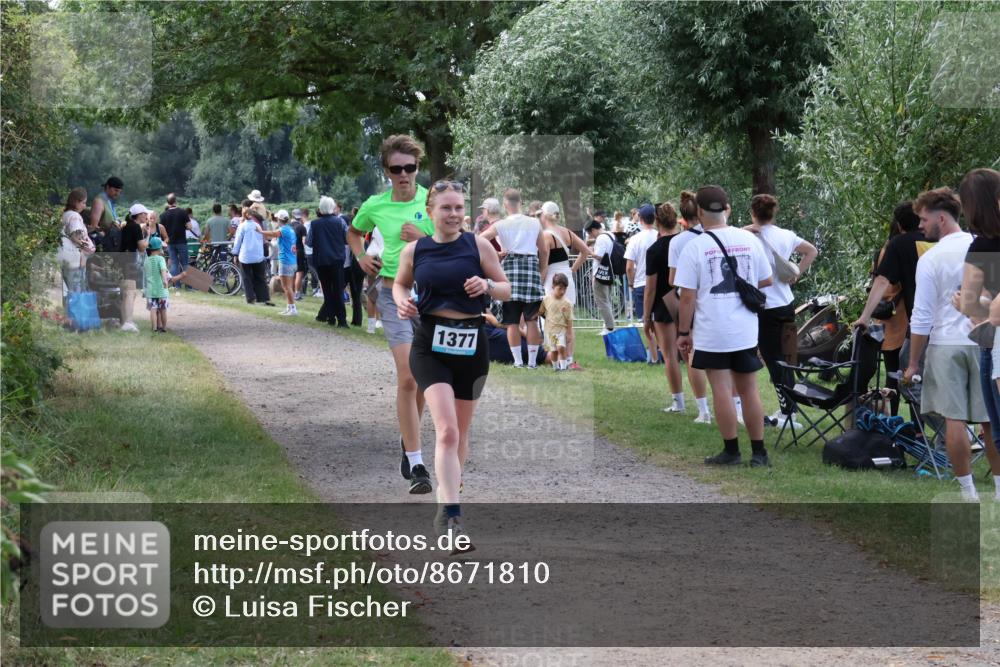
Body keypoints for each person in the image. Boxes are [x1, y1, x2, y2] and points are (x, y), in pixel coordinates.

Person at [393, 180, 511, 547]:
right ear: (431, 212)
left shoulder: (477, 245)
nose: (454, 214)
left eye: (459, 207)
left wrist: (487, 287)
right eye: (446, 208)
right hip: (430, 345)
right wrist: (401, 301)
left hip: (472, 345)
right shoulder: (415, 250)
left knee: (460, 432)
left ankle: (449, 493)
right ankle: (451, 519)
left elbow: (505, 287)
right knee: (446, 431)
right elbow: (399, 284)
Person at [348, 135, 435, 493]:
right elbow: (354, 232)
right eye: (396, 169)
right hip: (390, 293)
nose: (404, 175)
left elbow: (456, 238)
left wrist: (422, 237)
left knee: (424, 379)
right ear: (386, 171)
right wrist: (361, 256)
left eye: (410, 168)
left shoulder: (432, 202)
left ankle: (407, 436)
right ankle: (416, 463)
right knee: (408, 378)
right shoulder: (375, 205)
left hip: (430, 296)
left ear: (417, 168)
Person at [905, 187, 999, 501]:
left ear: (941, 219)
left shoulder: (931, 258)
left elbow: (922, 315)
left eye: (924, 219)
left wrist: (914, 362)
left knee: (953, 419)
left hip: (947, 343)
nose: (920, 225)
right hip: (985, 337)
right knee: (990, 420)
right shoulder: (983, 244)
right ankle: (999, 489)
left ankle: (967, 491)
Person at [675, 185, 773, 467]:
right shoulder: (748, 239)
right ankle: (759, 453)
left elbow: (687, 297)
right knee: (749, 390)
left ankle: (731, 451)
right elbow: (766, 279)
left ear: (700, 212)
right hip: (745, 328)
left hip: (711, 329)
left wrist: (684, 332)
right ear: (727, 209)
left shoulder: (694, 246)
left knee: (720, 388)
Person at [744, 194, 818, 430]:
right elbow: (812, 251)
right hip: (786, 301)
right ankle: (789, 407)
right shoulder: (786, 235)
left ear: (752, 213)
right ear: (774, 213)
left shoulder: (748, 236)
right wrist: (797, 273)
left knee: (773, 359)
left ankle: (788, 412)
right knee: (787, 355)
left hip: (765, 305)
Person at [956, 167, 1000, 501]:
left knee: (997, 429)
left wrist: (971, 304)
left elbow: (970, 305)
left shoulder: (983, 245)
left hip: (994, 343)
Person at [479, 188, 549, 369]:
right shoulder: (534, 223)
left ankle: (518, 362)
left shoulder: (501, 224)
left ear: (504, 204)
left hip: (509, 272)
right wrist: (542, 272)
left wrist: (495, 254)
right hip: (531, 270)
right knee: (532, 319)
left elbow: (479, 239)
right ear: (521, 202)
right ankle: (532, 362)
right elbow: (543, 250)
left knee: (511, 321)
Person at [643, 201, 695, 415]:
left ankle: (678, 402)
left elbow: (650, 288)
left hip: (663, 305)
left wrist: (646, 317)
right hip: (685, 300)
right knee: (690, 354)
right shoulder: (687, 242)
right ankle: (701, 401)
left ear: (657, 222)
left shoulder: (654, 249)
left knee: (670, 355)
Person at [870, 203, 919, 415]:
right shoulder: (911, 246)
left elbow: (882, 284)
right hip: (902, 319)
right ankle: (911, 427)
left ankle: (894, 423)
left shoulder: (890, 248)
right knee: (911, 375)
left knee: (894, 373)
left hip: (893, 321)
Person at [668, 190, 712, 424]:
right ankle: (736, 407)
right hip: (714, 300)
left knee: (692, 355)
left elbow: (673, 280)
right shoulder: (715, 234)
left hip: (690, 300)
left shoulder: (678, 241)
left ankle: (703, 409)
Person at [540, 201, 590, 370]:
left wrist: (541, 281)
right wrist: (573, 269)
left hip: (552, 278)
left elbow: (545, 263)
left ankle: (557, 360)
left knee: (554, 320)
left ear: (544, 215)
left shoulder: (546, 235)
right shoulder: (567, 232)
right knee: (568, 321)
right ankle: (569, 359)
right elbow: (585, 251)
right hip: (567, 277)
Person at [625, 203, 660, 362]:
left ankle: (653, 357)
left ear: (640, 219)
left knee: (647, 322)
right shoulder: (660, 236)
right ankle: (663, 353)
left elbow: (629, 267)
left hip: (641, 284)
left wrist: (631, 283)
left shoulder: (635, 239)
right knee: (659, 322)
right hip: (659, 284)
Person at [308, 196, 349, 327]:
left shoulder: (314, 224)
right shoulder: (340, 222)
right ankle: (342, 320)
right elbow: (346, 239)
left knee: (326, 289)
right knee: (338, 289)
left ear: (320, 208)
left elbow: (309, 242)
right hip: (337, 259)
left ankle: (331, 318)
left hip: (321, 260)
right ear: (332, 208)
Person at [58, 187, 96, 296]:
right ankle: (76, 313)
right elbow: (76, 236)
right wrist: (85, 246)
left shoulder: (66, 214)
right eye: (83, 203)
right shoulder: (75, 216)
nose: (84, 206)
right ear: (76, 202)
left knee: (69, 291)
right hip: (75, 259)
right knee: (77, 291)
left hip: (66, 257)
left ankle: (69, 312)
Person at [232, 209, 274, 306]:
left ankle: (251, 298)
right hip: (258, 255)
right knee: (260, 277)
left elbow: (237, 241)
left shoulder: (242, 226)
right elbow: (262, 239)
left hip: (245, 256)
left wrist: (235, 254)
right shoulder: (257, 225)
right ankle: (264, 298)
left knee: (247, 277)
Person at [585, 220, 616, 334]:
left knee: (602, 301)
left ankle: (609, 327)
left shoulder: (601, 238)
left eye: (590, 233)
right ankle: (608, 324)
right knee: (606, 300)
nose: (590, 236)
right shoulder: (610, 235)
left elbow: (599, 256)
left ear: (593, 230)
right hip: (609, 272)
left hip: (600, 273)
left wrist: (589, 251)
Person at [540, 273, 574, 371]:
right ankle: (555, 367)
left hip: (561, 330)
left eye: (565, 289)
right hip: (550, 330)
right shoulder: (546, 299)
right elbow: (542, 312)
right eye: (560, 288)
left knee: (561, 348)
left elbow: (569, 319)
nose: (563, 291)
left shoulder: (567, 303)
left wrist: (569, 332)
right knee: (553, 351)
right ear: (553, 286)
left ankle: (563, 368)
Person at [143, 237, 173, 332]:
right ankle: (164, 328)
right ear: (160, 248)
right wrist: (165, 281)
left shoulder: (146, 260)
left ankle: (154, 328)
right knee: (163, 310)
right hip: (161, 289)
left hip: (151, 290)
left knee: (153, 309)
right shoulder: (161, 259)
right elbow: (163, 270)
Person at [160, 193, 192, 282]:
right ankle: (189, 285)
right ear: (175, 201)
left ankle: (175, 285)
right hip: (182, 241)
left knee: (174, 264)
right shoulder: (183, 212)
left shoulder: (163, 215)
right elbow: (190, 227)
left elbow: (162, 229)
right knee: (185, 263)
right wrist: (183, 226)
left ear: (167, 203)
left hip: (170, 243)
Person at [272, 210, 298, 316]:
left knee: (286, 287)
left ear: (279, 219)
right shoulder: (291, 230)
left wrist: (260, 232)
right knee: (288, 287)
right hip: (291, 260)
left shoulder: (283, 230)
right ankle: (289, 307)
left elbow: (273, 234)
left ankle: (292, 308)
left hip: (285, 261)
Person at [90, 177, 123, 253]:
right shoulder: (99, 201)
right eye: (116, 190)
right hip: (103, 245)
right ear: (108, 187)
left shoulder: (109, 201)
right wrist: (105, 237)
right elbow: (93, 227)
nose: (117, 194)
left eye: (119, 192)